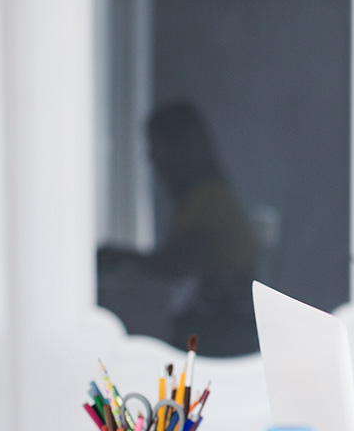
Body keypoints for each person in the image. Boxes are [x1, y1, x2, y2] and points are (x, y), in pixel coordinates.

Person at [98, 102, 261, 356]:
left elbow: (175, 265)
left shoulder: (209, 199)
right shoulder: (200, 198)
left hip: (224, 327)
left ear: (179, 148)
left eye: (155, 145)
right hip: (218, 320)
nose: (149, 156)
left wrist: (125, 257)